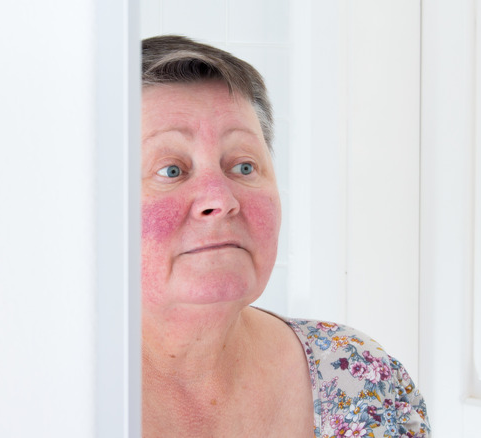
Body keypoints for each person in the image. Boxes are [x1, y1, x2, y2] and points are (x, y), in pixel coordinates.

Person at [140, 35, 431, 438]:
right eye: (171, 170)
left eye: (243, 167)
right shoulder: (39, 397)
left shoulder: (362, 379)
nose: (221, 200)